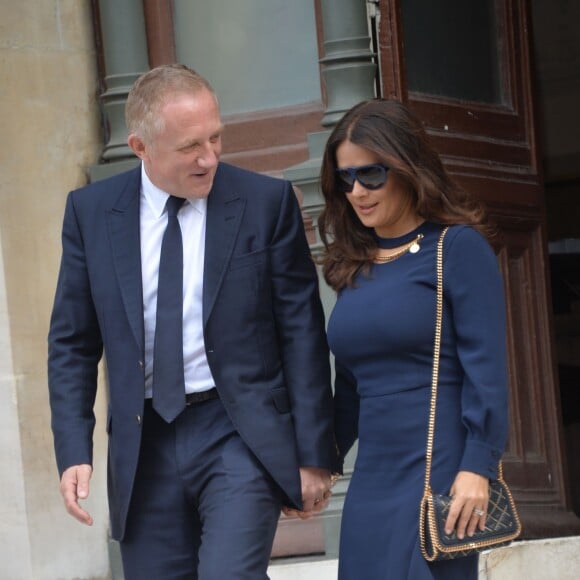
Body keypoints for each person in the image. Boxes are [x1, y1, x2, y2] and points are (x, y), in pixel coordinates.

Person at [48, 63, 339, 580]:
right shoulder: (91, 213)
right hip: (144, 443)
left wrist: (315, 454)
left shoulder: (264, 203)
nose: (210, 157)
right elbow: (72, 341)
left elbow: (301, 332)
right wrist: (74, 447)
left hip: (237, 433)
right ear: (140, 147)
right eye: (190, 147)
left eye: (216, 137)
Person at [317, 98, 509, 579]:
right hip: (373, 478)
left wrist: (478, 466)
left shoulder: (457, 249)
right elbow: (351, 393)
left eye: (372, 175)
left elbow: (487, 369)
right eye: (346, 179)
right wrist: (318, 465)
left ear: (407, 167)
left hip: (438, 469)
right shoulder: (353, 266)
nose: (357, 191)